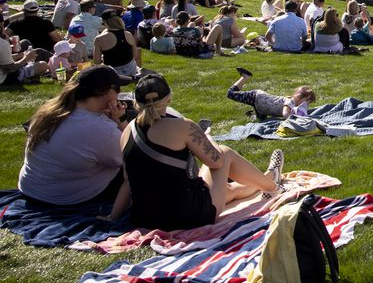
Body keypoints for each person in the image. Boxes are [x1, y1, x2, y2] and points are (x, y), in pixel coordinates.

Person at [107, 74, 284, 230]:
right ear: (169, 98)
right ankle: (274, 188)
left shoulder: (127, 131)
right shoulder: (182, 126)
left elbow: (128, 181)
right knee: (225, 152)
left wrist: (113, 217)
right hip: (188, 216)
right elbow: (218, 162)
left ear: (136, 104)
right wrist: (208, 139)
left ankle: (268, 178)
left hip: (146, 218)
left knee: (227, 190)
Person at [17, 66, 132, 206]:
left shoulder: (51, 110)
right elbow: (132, 155)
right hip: (64, 199)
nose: (119, 95)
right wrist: (121, 121)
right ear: (106, 92)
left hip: (31, 189)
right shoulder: (99, 129)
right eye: (117, 90)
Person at [227, 68, 315, 119]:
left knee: (261, 121)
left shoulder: (294, 106)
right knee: (231, 94)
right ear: (299, 96)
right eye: (306, 100)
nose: (307, 104)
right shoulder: (290, 102)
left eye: (309, 102)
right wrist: (296, 119)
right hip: (256, 97)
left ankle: (251, 114)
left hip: (262, 107)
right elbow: (285, 115)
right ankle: (245, 77)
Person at [93, 11, 141, 76]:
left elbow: (97, 61)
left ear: (104, 22)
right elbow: (135, 55)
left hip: (112, 72)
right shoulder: (128, 34)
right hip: (131, 69)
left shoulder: (99, 39)